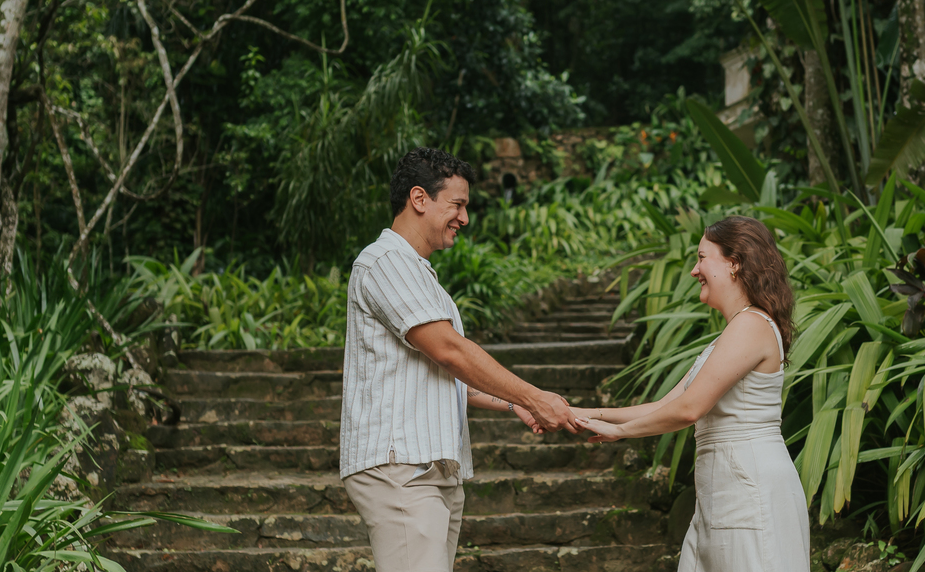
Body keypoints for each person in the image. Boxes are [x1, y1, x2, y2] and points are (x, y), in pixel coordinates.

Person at [340, 147, 580, 572]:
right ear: (419, 199)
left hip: (431, 469)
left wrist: (517, 403)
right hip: (404, 468)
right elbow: (450, 352)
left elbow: (447, 378)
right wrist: (535, 395)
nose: (464, 218)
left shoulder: (419, 274)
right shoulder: (385, 262)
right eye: (457, 205)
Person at [574, 215, 809, 571]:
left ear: (734, 263)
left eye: (701, 257)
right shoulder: (733, 332)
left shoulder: (751, 324)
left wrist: (620, 432)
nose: (693, 270)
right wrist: (580, 415)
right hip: (725, 488)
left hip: (749, 488)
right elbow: (667, 403)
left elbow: (689, 409)